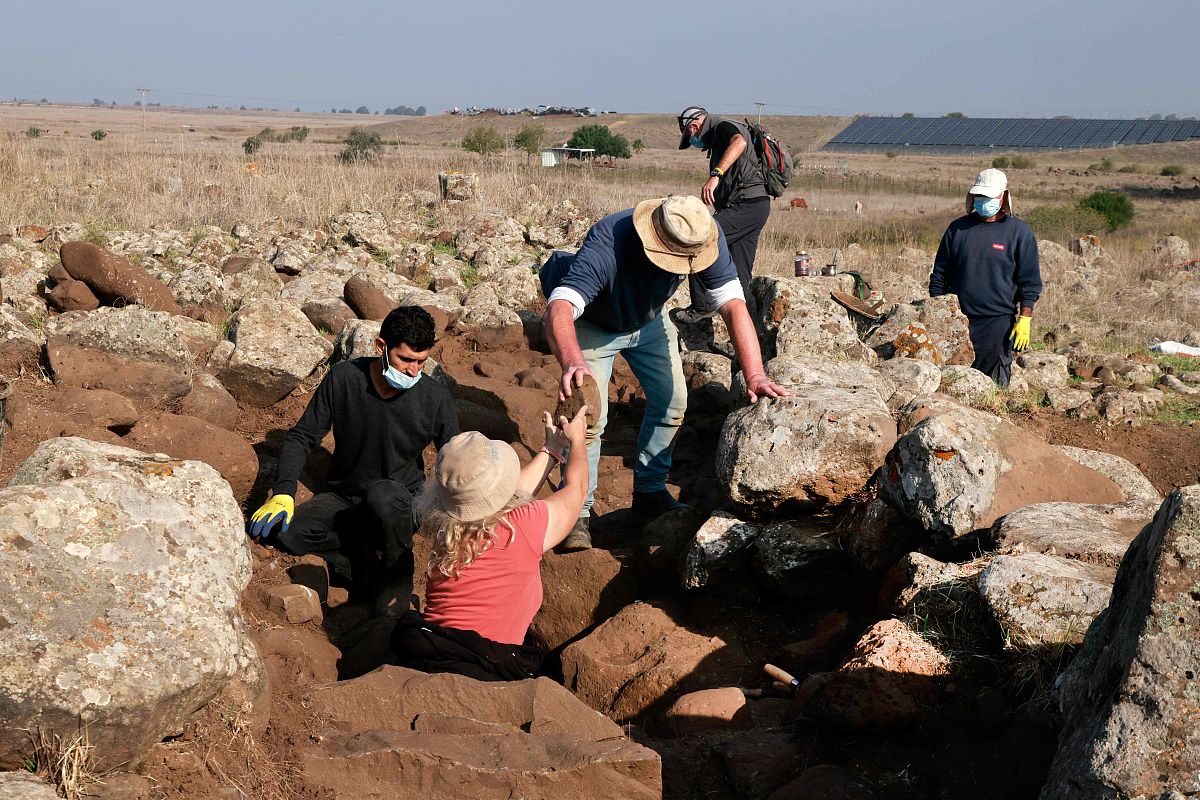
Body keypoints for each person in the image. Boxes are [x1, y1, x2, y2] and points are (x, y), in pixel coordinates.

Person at [539, 194, 789, 552]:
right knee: (589, 417)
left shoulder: (702, 232)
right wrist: (572, 360)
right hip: (593, 321)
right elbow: (560, 307)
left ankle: (650, 493)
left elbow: (734, 306)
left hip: (647, 320)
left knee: (673, 400)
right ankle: (577, 511)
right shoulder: (609, 240)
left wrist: (755, 375)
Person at [247, 306, 459, 617]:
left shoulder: (434, 397)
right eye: (406, 360)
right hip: (346, 496)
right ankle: (363, 565)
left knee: (384, 496)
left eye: (421, 362)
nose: (414, 371)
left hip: (401, 501)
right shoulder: (343, 380)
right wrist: (283, 493)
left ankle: (397, 577)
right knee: (285, 531)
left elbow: (455, 456)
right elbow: (301, 437)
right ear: (381, 347)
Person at [388, 407, 588, 681]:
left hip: (432, 648)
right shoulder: (525, 524)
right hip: (491, 662)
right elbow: (576, 490)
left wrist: (553, 448)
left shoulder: (444, 528)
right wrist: (577, 441)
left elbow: (508, 495)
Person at [929, 168, 1042, 387]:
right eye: (980, 196)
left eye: (989, 197)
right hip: (957, 321)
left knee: (993, 386)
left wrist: (1025, 318)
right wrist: (938, 312)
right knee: (952, 383)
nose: (984, 201)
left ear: (1003, 197)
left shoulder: (1019, 233)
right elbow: (939, 276)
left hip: (997, 323)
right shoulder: (958, 229)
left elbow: (1030, 282)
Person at [673, 106, 772, 324]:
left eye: (692, 138)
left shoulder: (722, 127)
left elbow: (739, 143)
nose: (695, 143)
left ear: (695, 126)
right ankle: (748, 331)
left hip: (746, 205)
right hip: (755, 206)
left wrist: (715, 175)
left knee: (700, 240)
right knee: (740, 275)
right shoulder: (718, 135)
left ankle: (702, 306)